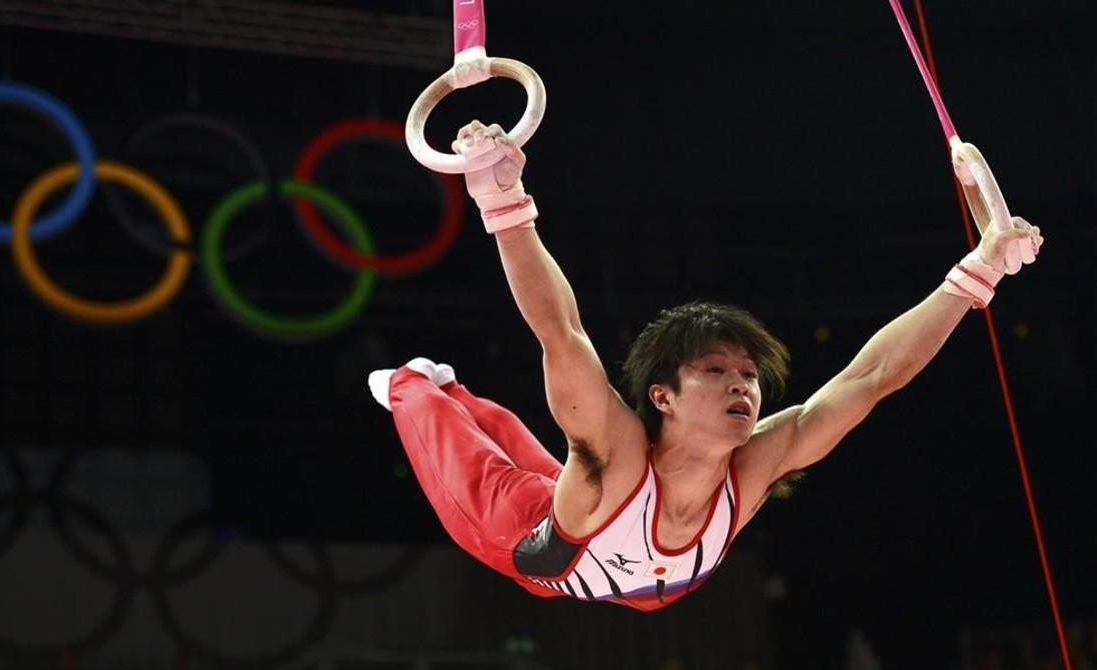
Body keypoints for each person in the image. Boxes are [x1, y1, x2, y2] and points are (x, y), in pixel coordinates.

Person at [368, 121, 1043, 611]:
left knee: (517, 447)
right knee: (451, 430)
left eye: (747, 374)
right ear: (661, 396)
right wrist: (504, 204)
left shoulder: (755, 463)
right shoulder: (619, 455)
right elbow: (560, 332)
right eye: (717, 371)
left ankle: (447, 385)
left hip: (629, 567)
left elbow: (872, 378)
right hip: (536, 552)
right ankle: (414, 384)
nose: (743, 385)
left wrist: (976, 273)